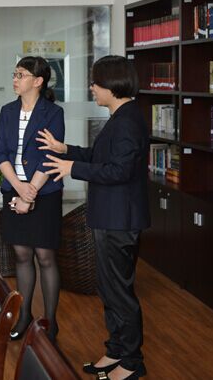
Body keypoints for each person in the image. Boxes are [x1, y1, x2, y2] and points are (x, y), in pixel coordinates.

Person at [38, 55, 150, 380]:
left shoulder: (127, 121)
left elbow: (119, 171)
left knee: (119, 292)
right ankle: (115, 350)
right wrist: (67, 150)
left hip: (119, 219)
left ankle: (131, 362)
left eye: (95, 83)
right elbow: (101, 157)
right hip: (110, 216)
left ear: (111, 85)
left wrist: (72, 168)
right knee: (108, 288)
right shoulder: (121, 116)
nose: (92, 88)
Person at [0, 56, 64, 342]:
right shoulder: (7, 111)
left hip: (44, 192)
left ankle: (50, 322)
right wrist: (18, 188)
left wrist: (30, 191)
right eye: (15, 74)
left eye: (21, 75)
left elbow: (50, 156)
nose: (15, 79)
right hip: (14, 190)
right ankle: (24, 316)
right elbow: (1, 154)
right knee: (22, 254)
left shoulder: (53, 113)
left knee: (45, 256)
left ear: (38, 81)